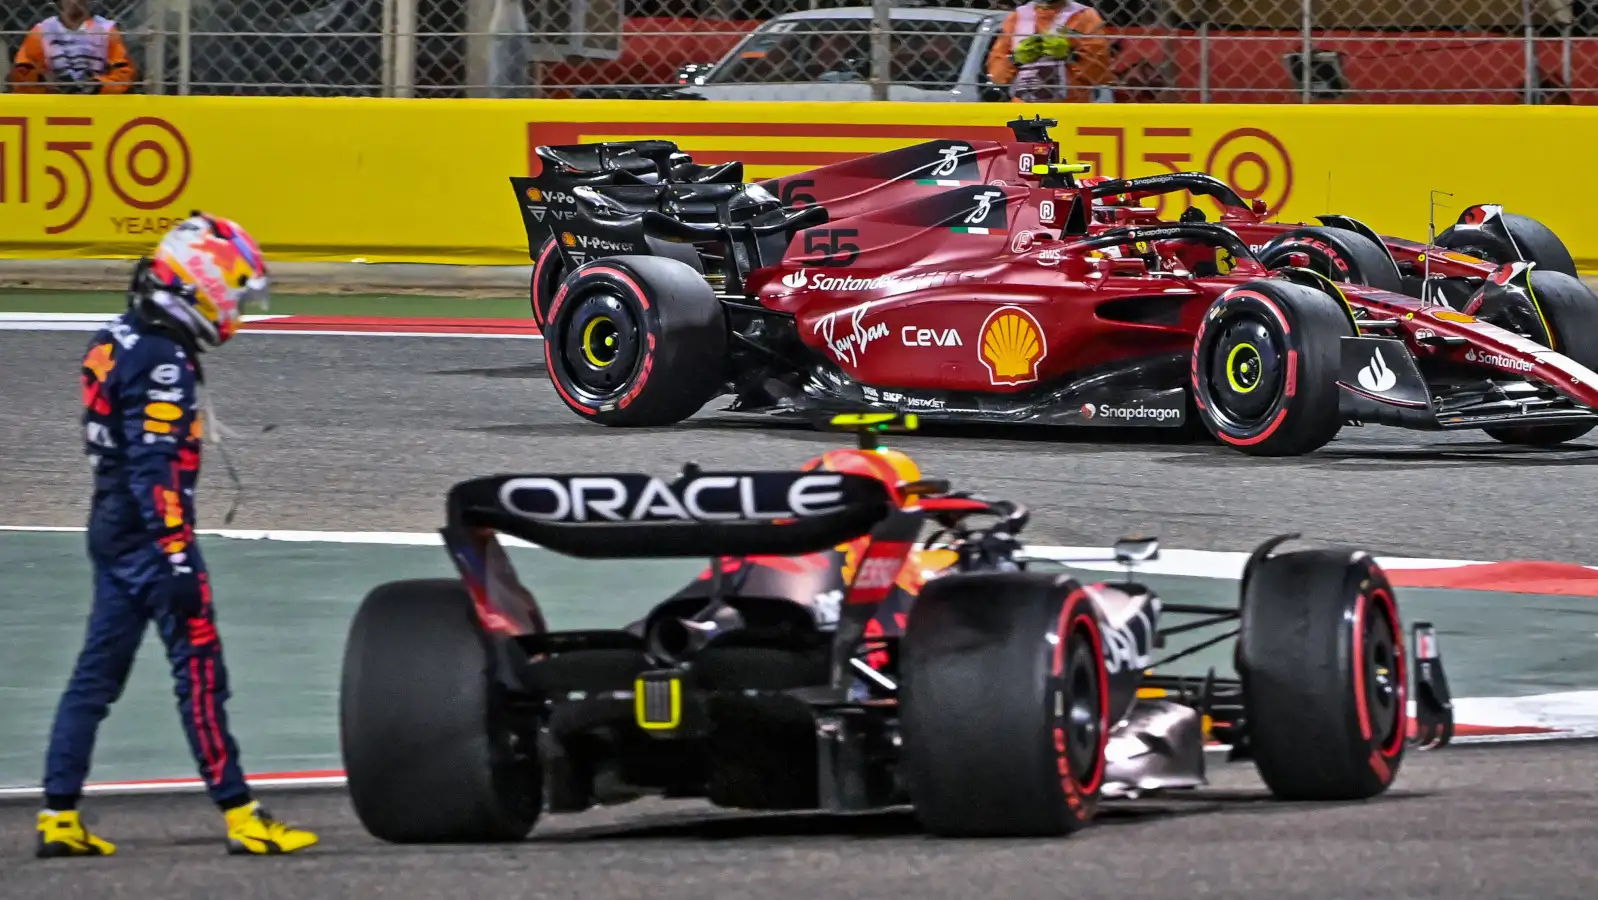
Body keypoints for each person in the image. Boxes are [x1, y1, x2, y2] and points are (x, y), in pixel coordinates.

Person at [37, 214, 319, 858]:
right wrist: (175, 555)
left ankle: (57, 815)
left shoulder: (113, 336)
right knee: (198, 675)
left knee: (93, 679)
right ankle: (242, 815)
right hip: (151, 537)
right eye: (236, 294)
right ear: (204, 286)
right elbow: (154, 463)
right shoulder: (165, 360)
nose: (238, 311)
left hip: (108, 526)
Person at [985, 0, 1113, 104]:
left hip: (1071, 108)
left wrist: (1070, 56)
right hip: (1024, 109)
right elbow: (997, 76)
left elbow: (1100, 74)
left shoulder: (1085, 16)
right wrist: (1016, 59)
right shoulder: (1017, 17)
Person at [9, 0, 136, 94]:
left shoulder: (106, 29)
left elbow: (124, 73)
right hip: (52, 102)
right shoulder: (41, 31)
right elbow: (21, 74)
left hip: (97, 102)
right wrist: (42, 80)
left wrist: (97, 85)